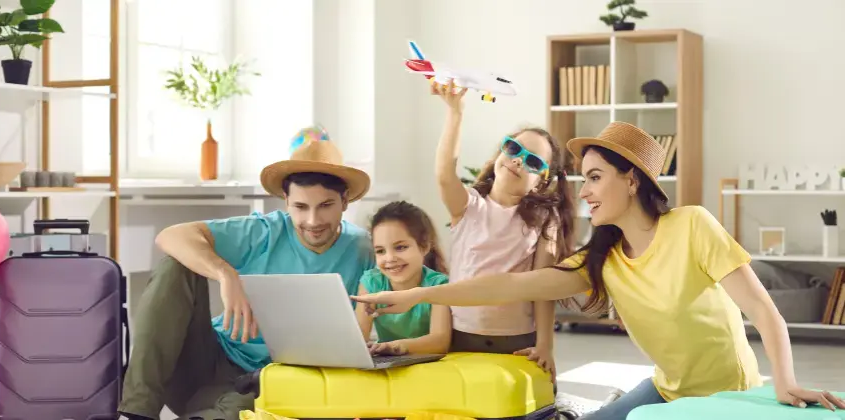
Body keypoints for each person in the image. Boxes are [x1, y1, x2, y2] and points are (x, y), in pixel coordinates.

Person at [352, 122, 845, 419]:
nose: (583, 191)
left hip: (726, 391)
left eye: (594, 177)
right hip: (666, 386)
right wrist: (418, 296)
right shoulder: (601, 259)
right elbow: (510, 283)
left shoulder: (693, 226)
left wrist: (783, 381)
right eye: (580, 178)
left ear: (631, 180)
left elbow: (762, 308)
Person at [118, 127, 375, 420]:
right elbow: (170, 236)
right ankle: (136, 413)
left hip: (271, 384)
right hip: (204, 362)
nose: (312, 221)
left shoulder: (364, 249)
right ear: (286, 201)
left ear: (345, 200)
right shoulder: (263, 231)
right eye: (300, 207)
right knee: (176, 265)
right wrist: (226, 275)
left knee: (242, 410)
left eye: (326, 206)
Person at [430, 79, 576, 378]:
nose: (518, 161)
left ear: (543, 181)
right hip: (461, 335)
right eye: (513, 148)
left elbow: (543, 286)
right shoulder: (469, 206)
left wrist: (545, 345)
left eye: (533, 162)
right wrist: (455, 113)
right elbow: (445, 174)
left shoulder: (544, 219)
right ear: (500, 153)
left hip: (517, 340)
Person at [355, 200, 452, 356]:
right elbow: (358, 338)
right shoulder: (371, 282)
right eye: (380, 251)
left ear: (425, 246)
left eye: (400, 247)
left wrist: (396, 346)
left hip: (429, 363)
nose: (390, 258)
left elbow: (440, 342)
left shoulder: (439, 285)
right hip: (389, 362)